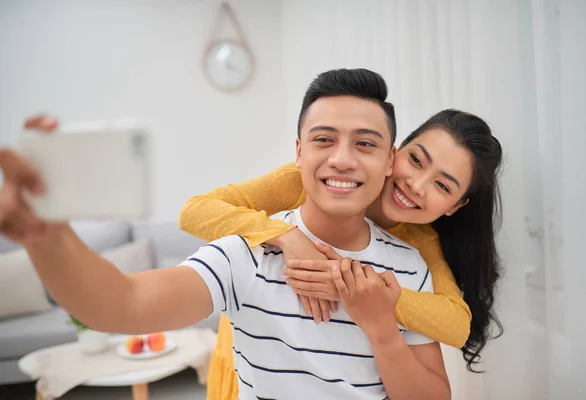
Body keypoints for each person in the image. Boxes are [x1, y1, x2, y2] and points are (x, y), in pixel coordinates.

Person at [0, 69, 451, 399]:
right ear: (297, 152)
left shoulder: (408, 265)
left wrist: (381, 329)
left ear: (390, 160)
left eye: (365, 144)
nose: (342, 159)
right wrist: (46, 236)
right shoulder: (247, 256)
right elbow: (122, 303)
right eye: (323, 139)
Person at [179, 80, 504, 398]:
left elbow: (457, 324)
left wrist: (353, 287)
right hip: (256, 360)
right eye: (416, 160)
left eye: (443, 186)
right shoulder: (310, 180)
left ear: (455, 207)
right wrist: (287, 236)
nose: (417, 185)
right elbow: (195, 210)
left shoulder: (421, 239)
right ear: (396, 151)